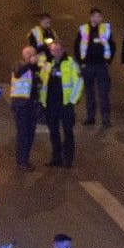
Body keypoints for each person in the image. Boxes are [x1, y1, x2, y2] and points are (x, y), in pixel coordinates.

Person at [39, 40, 81, 168]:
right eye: (52, 50)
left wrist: (72, 101)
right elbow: (42, 80)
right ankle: (56, 158)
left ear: (62, 50)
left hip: (65, 104)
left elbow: (79, 82)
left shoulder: (70, 63)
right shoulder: (47, 63)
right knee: (54, 132)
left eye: (57, 50)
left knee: (68, 131)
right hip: (51, 104)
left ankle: (68, 160)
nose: (55, 53)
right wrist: (42, 101)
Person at [76, 8, 115, 126]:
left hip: (101, 66)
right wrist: (81, 62)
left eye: (99, 16)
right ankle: (90, 117)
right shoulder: (83, 29)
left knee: (103, 93)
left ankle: (105, 118)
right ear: (91, 17)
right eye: (95, 16)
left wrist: (108, 60)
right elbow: (77, 46)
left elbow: (112, 46)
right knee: (89, 93)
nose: (98, 19)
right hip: (87, 65)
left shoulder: (105, 29)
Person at [9, 45, 41, 169]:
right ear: (25, 56)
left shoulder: (35, 69)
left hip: (32, 106)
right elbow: (17, 73)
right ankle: (21, 162)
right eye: (30, 55)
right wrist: (30, 64)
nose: (33, 57)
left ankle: (25, 160)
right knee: (23, 134)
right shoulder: (19, 65)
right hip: (21, 106)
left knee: (30, 134)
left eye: (34, 54)